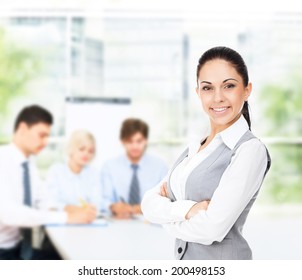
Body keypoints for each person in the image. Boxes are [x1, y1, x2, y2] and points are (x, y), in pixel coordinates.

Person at [141, 46, 271, 260]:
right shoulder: (194, 148)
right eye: (208, 88)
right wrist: (189, 210)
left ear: (247, 90)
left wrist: (167, 222)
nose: (217, 97)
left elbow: (212, 228)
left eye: (229, 86)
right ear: (198, 93)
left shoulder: (249, 150)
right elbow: (148, 203)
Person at [0, 105, 97, 260]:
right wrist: (66, 217)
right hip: (4, 251)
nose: (45, 142)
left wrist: (73, 212)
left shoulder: (29, 166)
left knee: (65, 258)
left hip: (18, 248)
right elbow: (9, 214)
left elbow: (44, 201)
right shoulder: (2, 160)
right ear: (23, 128)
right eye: (42, 135)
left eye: (48, 137)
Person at [101, 118, 168, 219]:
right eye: (130, 141)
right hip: (119, 222)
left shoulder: (160, 166)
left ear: (145, 141)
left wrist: (148, 206)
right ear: (122, 141)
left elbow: (166, 198)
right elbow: (103, 198)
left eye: (139, 141)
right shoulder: (109, 167)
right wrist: (113, 206)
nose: (135, 146)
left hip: (151, 222)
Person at [46, 130, 101, 212]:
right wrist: (71, 209)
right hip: (63, 220)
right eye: (82, 149)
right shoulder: (56, 171)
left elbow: (97, 202)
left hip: (87, 221)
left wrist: (92, 208)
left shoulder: (93, 173)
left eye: (90, 151)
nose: (86, 154)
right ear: (72, 149)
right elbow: (51, 203)